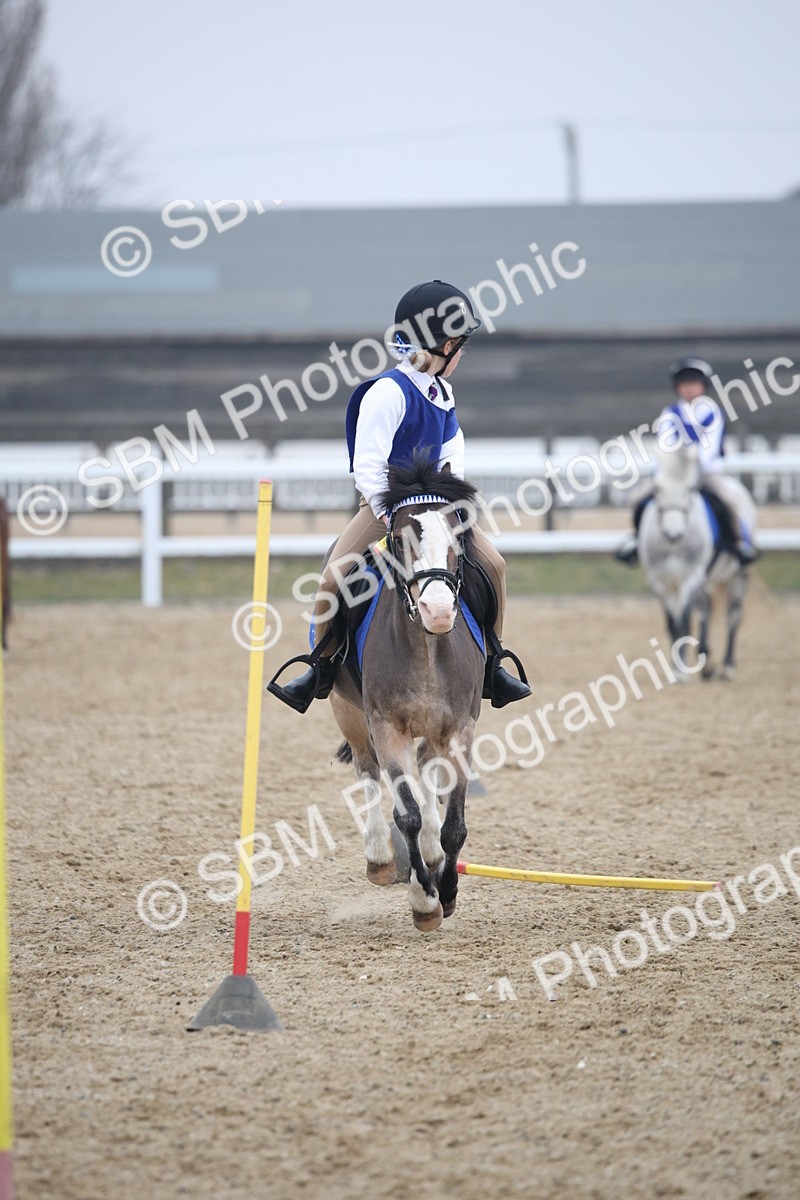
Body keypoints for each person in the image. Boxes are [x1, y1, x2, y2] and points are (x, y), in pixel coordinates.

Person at [268, 279, 532, 713]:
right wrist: (395, 520)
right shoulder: (387, 393)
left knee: (495, 565)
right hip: (384, 508)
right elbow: (368, 469)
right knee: (335, 576)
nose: (462, 353)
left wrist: (446, 514)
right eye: (459, 344)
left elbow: (454, 460)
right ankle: (319, 666)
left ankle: (491, 663)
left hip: (438, 510)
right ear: (442, 344)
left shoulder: (443, 394)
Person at [616, 356, 759, 565]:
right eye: (684, 384)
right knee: (638, 498)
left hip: (706, 472)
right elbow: (664, 444)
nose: (689, 389)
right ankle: (638, 540)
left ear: (703, 386)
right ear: (677, 387)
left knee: (728, 499)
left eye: (694, 384)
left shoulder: (712, 413)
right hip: (674, 473)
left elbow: (709, 449)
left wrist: (692, 461)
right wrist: (676, 464)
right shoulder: (670, 413)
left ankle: (739, 542)